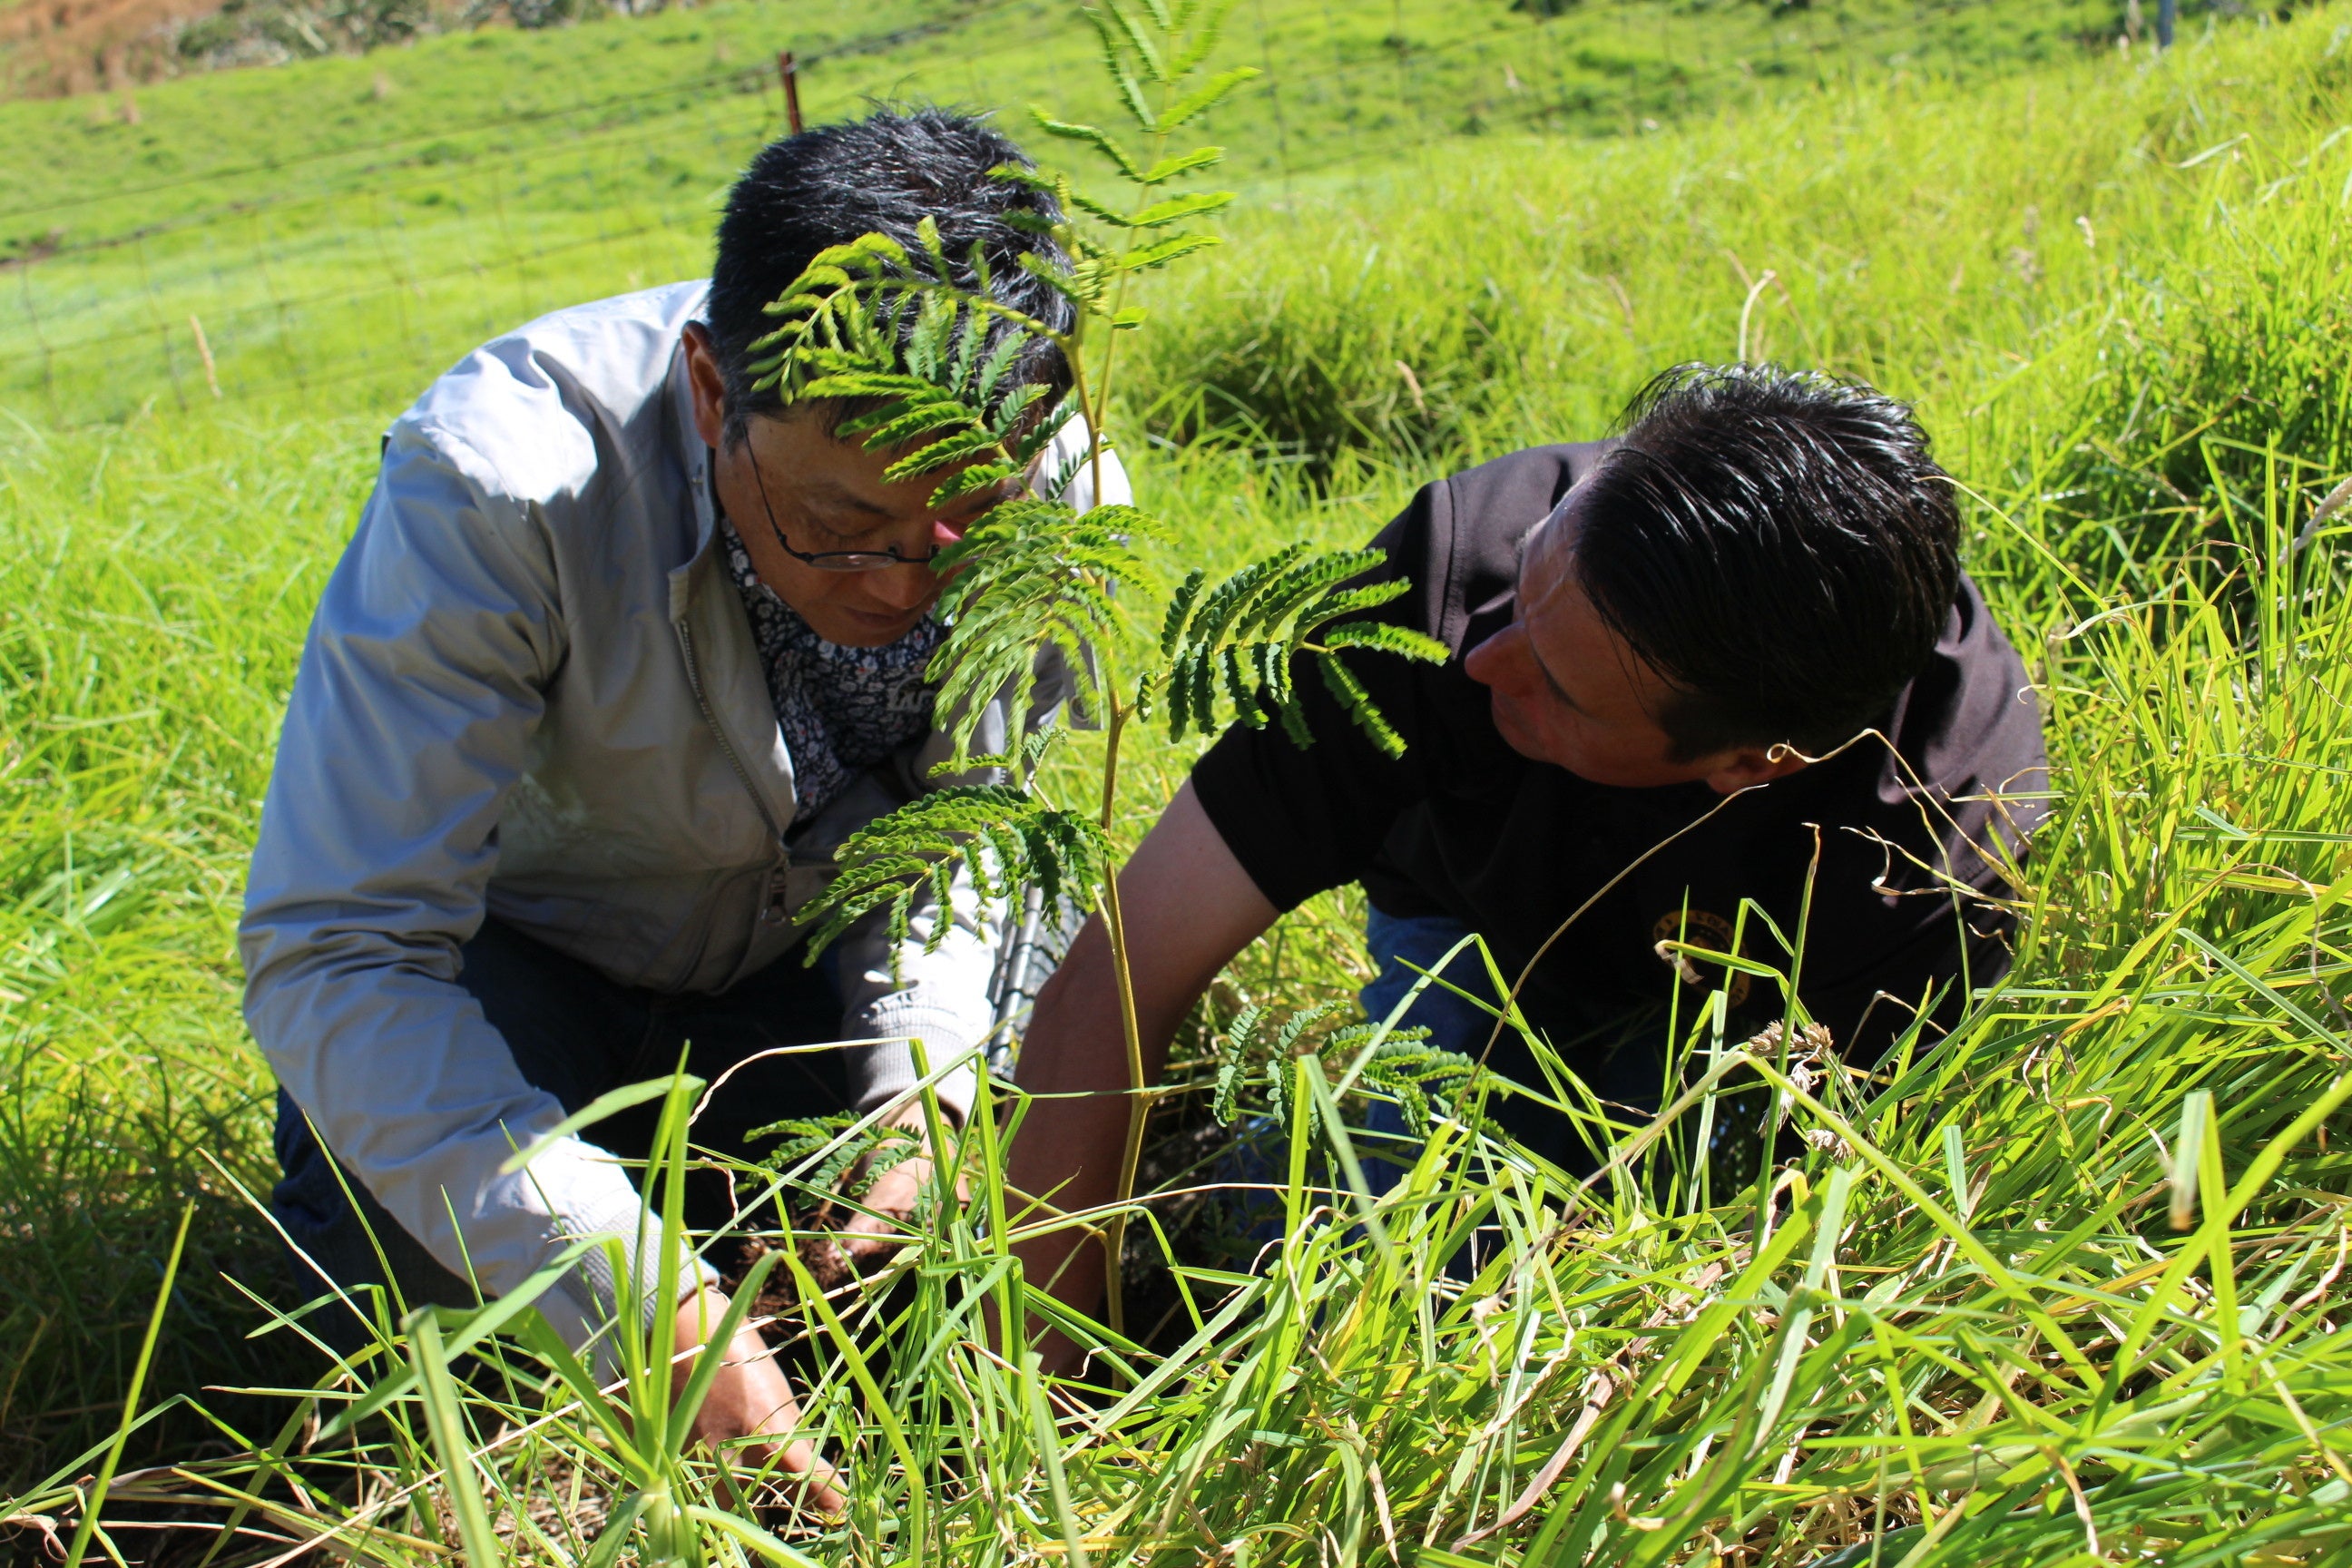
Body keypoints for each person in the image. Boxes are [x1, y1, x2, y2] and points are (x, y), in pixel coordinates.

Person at [240, 108, 1124, 1504]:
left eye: (961, 527)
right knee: (399, 1330)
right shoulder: (502, 489)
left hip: (802, 978)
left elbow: (966, 833)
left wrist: (921, 1097)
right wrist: (627, 1288)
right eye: (840, 525)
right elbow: (336, 952)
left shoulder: (1051, 494)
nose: (904, 586)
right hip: (539, 982)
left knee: (987, 1214)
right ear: (712, 392)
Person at [1006, 364, 2046, 1340]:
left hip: (1743, 1010)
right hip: (1469, 909)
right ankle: (1233, 1205)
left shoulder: (1931, 851)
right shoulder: (1447, 584)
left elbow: (1828, 1210)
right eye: (1529, 588)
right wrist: (1045, 1359)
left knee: (1609, 1238)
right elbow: (1125, 964)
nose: (1480, 660)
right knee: (1397, 1209)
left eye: (1560, 685)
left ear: (1748, 764)